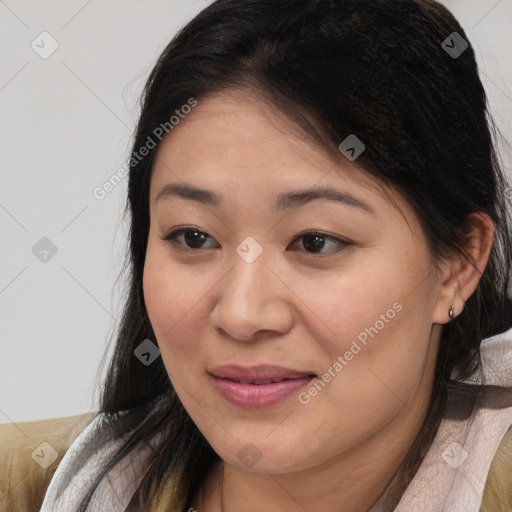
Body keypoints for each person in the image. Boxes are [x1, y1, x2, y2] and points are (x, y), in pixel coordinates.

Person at [39, 0, 512, 510]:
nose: (242, 315)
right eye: (194, 237)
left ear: (458, 265)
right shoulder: (33, 482)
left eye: (316, 242)